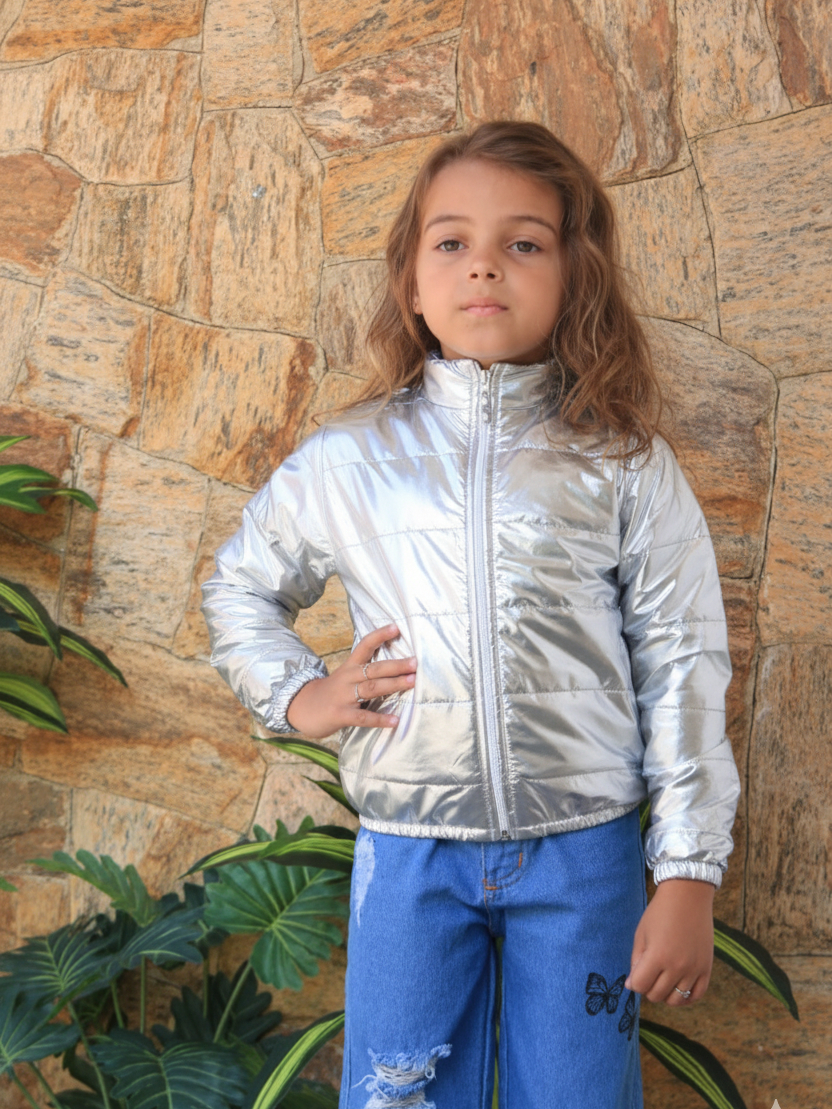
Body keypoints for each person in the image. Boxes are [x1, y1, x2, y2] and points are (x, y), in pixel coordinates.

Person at [201, 121, 740, 1109]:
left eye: (523, 242)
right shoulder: (347, 460)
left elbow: (683, 660)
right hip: (410, 849)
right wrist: (299, 693)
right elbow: (240, 588)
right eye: (451, 241)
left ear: (576, 277)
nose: (484, 264)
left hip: (584, 853)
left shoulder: (623, 462)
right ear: (411, 281)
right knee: (397, 1093)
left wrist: (688, 872)